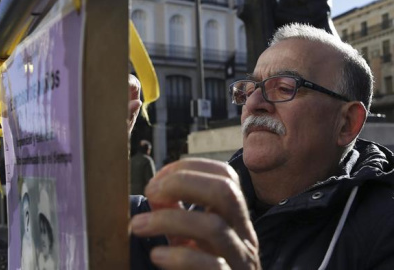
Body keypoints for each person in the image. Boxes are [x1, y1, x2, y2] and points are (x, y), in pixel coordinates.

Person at [128, 23, 394, 270]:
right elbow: (92, 231)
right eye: (249, 88)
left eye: (284, 87)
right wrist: (97, 145)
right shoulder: (183, 207)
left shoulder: (384, 226)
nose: (253, 103)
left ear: (347, 122)